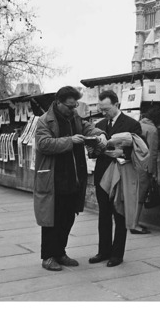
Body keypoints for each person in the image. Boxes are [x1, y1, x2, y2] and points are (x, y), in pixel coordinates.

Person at [33, 86, 107, 271]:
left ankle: (60, 252)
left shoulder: (73, 117)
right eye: (69, 106)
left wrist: (100, 134)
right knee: (52, 220)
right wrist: (70, 141)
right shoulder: (44, 121)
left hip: (73, 178)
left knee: (67, 218)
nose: (73, 109)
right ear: (58, 103)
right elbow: (43, 144)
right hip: (54, 178)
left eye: (75, 106)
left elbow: (88, 127)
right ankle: (48, 257)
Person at [89, 90, 142, 267]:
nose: (104, 113)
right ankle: (103, 251)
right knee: (103, 213)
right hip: (102, 173)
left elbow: (141, 148)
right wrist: (94, 149)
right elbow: (93, 152)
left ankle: (117, 254)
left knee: (119, 213)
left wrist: (123, 152)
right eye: (101, 109)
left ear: (117, 105)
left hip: (121, 173)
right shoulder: (99, 124)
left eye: (107, 109)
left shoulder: (132, 124)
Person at [130, 107, 160, 234]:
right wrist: (153, 171)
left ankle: (130, 222)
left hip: (132, 163)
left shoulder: (137, 124)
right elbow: (152, 153)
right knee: (140, 195)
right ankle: (134, 225)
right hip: (143, 166)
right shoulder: (152, 130)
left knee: (132, 194)